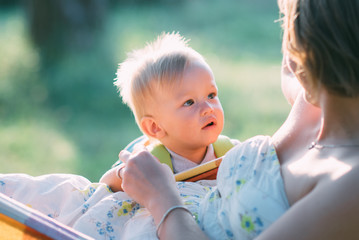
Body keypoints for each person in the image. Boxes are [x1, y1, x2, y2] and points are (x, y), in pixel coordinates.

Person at [116, 0, 359, 239]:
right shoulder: (319, 96)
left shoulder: (349, 186)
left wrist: (161, 197)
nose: (291, 55)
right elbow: (290, 68)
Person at [100, 32, 238, 192]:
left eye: (211, 95)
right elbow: (104, 185)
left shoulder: (230, 151)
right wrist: (124, 172)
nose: (208, 108)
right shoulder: (154, 163)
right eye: (189, 102)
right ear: (155, 127)